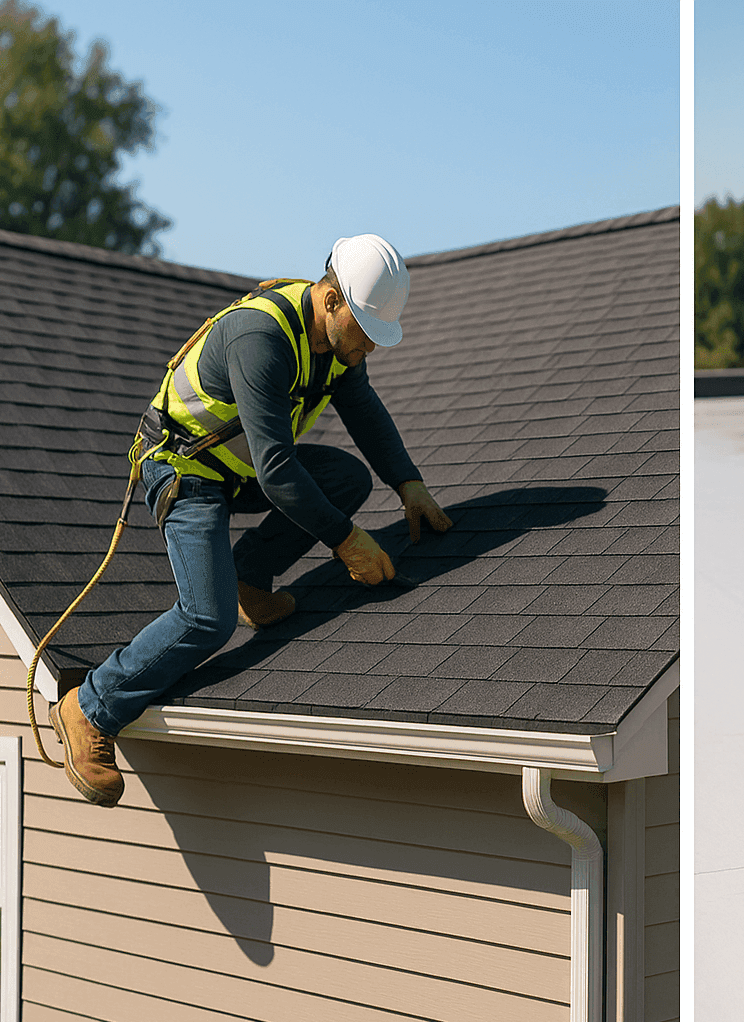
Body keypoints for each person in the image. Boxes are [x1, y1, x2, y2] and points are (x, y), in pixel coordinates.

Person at [48, 234, 453, 807]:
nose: (367, 349)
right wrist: (347, 540)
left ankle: (248, 574)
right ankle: (91, 706)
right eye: (363, 332)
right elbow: (278, 472)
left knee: (348, 480)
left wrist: (408, 484)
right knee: (206, 620)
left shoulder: (335, 344)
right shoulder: (262, 337)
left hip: (232, 470)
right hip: (181, 470)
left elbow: (362, 408)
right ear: (332, 300)